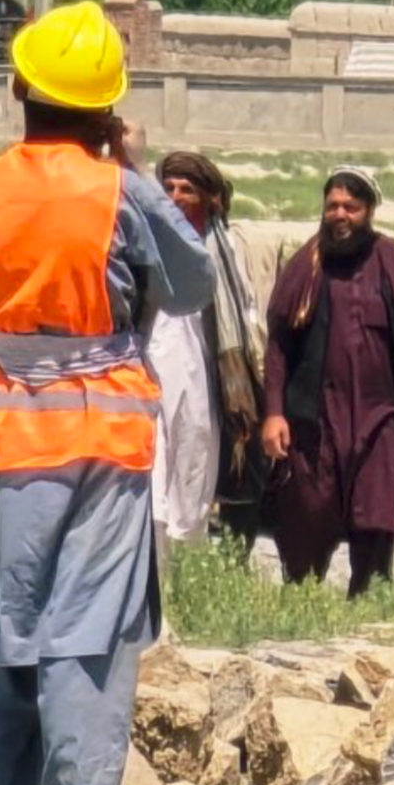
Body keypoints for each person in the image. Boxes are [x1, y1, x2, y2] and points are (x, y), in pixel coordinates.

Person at [0, 1, 214, 785]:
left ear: (19, 88)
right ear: (106, 110)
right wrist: (127, 168)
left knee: (9, 624)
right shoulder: (120, 191)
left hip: (10, 432)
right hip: (104, 432)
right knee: (89, 631)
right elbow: (191, 285)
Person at [261, 166, 394, 598]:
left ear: (370, 211)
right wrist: (273, 414)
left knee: (376, 512)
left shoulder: (392, 263)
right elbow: (278, 346)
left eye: (351, 207)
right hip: (315, 417)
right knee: (308, 511)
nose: (340, 215)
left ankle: (369, 600)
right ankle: (302, 599)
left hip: (380, 417)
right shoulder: (305, 267)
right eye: (333, 206)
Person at [148, 151, 267, 559]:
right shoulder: (147, 244)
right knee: (152, 482)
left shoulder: (226, 252)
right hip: (149, 377)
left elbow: (246, 319)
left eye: (187, 189)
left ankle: (183, 575)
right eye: (168, 188)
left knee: (192, 475)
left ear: (210, 199)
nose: (175, 197)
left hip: (204, 382)